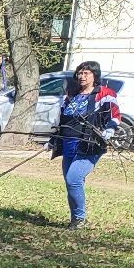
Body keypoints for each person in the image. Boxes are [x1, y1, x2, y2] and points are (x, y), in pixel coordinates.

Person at [52, 60, 120, 229]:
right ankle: (75, 219)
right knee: (71, 183)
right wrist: (53, 140)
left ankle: (80, 218)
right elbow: (62, 120)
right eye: (80, 73)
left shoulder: (104, 93)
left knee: (73, 178)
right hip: (68, 143)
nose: (82, 76)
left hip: (89, 144)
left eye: (86, 73)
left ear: (94, 75)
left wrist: (110, 129)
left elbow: (114, 115)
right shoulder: (72, 94)